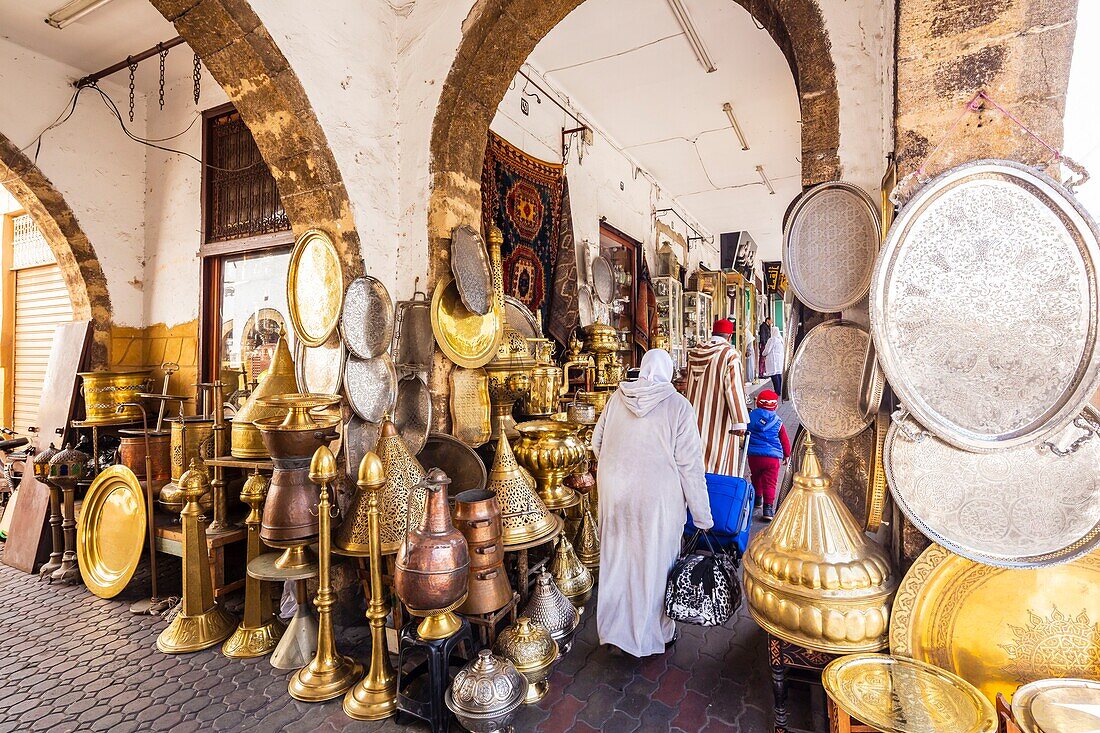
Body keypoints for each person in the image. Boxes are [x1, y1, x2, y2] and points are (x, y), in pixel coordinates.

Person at [592, 349, 713, 658]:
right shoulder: (678, 406)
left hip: (615, 495)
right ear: (668, 372)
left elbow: (596, 444)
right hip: (657, 501)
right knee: (654, 565)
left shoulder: (617, 398)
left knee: (617, 561)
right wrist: (703, 516)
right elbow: (690, 466)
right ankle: (651, 636)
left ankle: (613, 633)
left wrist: (617, 469)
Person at [684, 318, 749, 475]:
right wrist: (740, 421)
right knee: (718, 464)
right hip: (718, 419)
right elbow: (734, 389)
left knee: (695, 460)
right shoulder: (729, 355)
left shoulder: (694, 352)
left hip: (693, 417)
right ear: (729, 336)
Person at [745, 389, 791, 521]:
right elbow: (784, 439)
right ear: (775, 406)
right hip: (772, 458)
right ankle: (768, 509)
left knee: (756, 477)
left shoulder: (751, 417)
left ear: (758, 403)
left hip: (754, 457)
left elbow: (745, 432)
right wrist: (787, 455)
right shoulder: (778, 421)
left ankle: (757, 500)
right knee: (770, 483)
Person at [762, 323, 785, 397]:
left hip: (773, 360)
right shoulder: (780, 339)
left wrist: (763, 354)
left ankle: (777, 391)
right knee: (778, 375)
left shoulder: (772, 340)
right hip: (779, 360)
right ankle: (779, 390)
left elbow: (767, 350)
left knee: (774, 375)